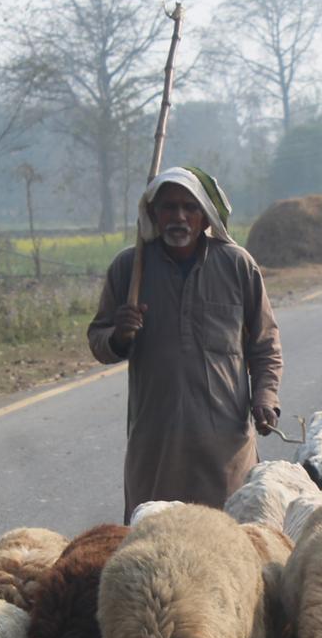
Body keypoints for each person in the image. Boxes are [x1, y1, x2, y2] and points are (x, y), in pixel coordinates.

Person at [87, 165, 283, 522]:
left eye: (189, 208)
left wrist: (265, 397)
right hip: (156, 443)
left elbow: (265, 343)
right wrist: (120, 335)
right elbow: (98, 342)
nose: (179, 216)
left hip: (225, 445)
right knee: (155, 542)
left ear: (205, 217)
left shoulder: (237, 265)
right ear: (153, 215)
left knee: (234, 542)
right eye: (168, 207)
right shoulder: (129, 269)